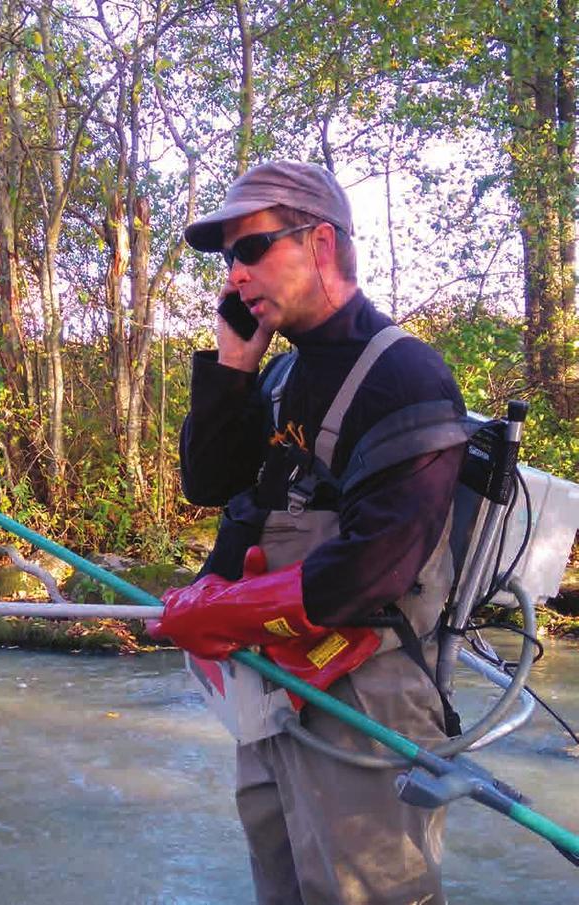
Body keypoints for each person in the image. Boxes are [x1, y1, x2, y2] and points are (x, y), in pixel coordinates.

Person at [150, 161, 473, 905]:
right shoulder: (277, 371)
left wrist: (229, 611)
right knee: (283, 883)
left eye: (251, 248)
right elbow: (212, 486)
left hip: (366, 696)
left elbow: (378, 567)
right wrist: (232, 367)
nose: (234, 275)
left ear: (320, 243)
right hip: (276, 678)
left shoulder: (407, 376)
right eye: (227, 257)